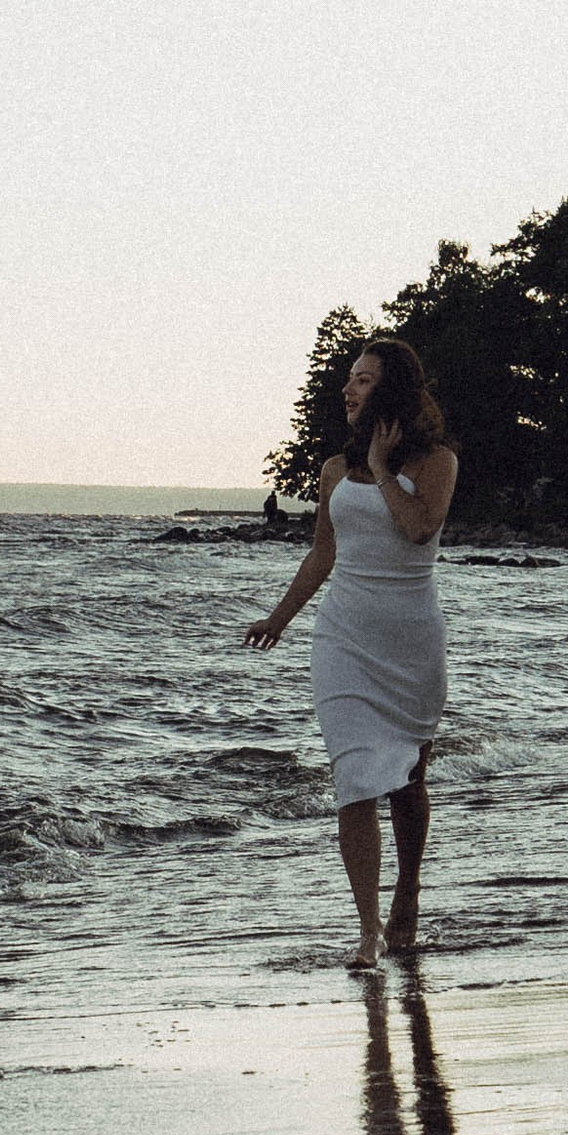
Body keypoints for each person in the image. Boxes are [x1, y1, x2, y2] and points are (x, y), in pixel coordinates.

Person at [244, 337, 457, 968]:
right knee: (354, 780)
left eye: (362, 380)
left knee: (408, 783)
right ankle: (367, 930)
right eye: (349, 379)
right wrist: (278, 619)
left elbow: (419, 527)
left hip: (411, 642)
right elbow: (323, 553)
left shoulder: (438, 461)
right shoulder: (335, 470)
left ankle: (408, 891)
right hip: (342, 639)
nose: (348, 389)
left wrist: (385, 466)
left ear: (390, 390)